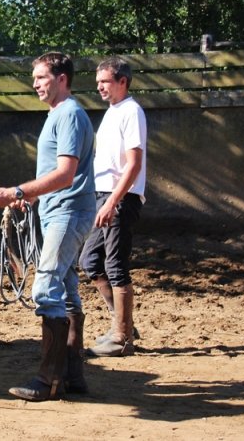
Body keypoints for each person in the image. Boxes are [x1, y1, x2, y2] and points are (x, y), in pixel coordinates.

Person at [0, 52, 95, 401]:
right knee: (67, 289)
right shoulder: (57, 114)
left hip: (67, 213)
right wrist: (30, 197)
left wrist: (18, 191)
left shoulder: (69, 114)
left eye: (41, 77)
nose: (35, 84)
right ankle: (73, 376)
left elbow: (65, 174)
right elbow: (54, 175)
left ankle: (49, 381)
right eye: (35, 78)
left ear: (62, 79)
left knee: (45, 289)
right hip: (58, 210)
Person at [80, 57, 146, 357]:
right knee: (90, 261)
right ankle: (123, 323)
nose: (99, 87)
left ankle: (122, 338)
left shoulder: (131, 112)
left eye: (105, 81)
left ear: (122, 81)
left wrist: (113, 201)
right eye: (98, 82)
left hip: (121, 198)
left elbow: (134, 164)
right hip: (104, 196)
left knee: (115, 265)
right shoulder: (112, 112)